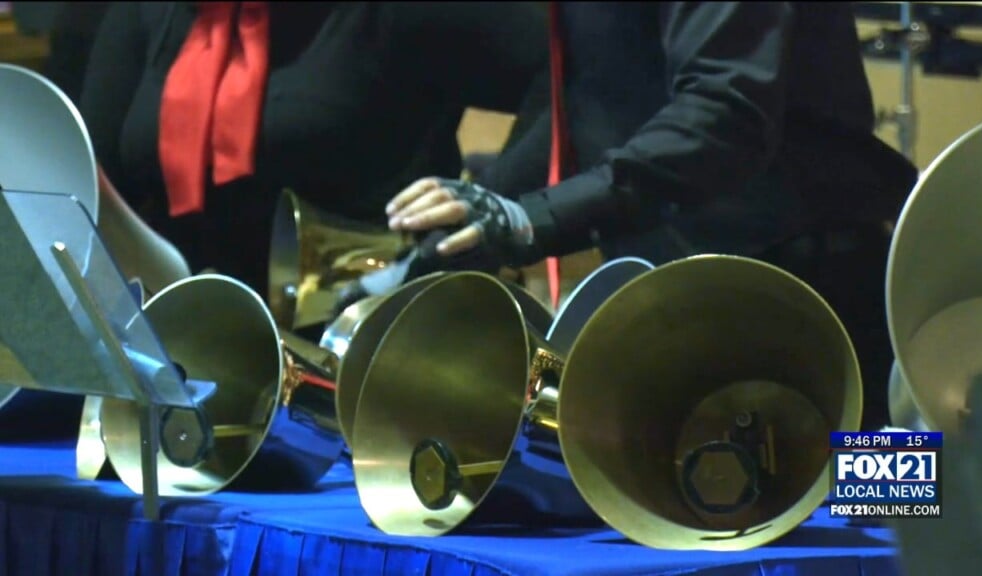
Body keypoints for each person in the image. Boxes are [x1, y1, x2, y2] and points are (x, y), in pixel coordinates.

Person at [383, 2, 919, 432]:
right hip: (691, 311)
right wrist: (479, 223)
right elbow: (587, 98)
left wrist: (530, 219)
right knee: (691, 556)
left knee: (890, 533)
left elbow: (724, 116)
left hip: (817, 302)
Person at [78, 1, 547, 297]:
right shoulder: (153, 11)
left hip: (365, 330)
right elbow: (94, 178)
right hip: (188, 330)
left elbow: (565, 74)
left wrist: (496, 209)